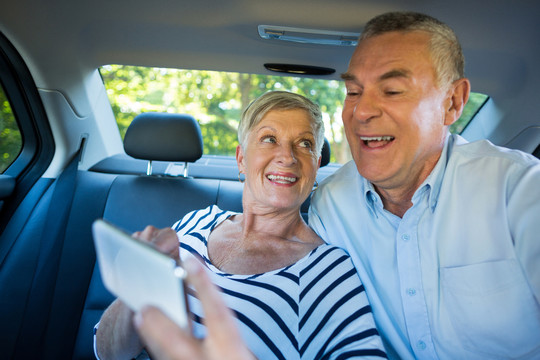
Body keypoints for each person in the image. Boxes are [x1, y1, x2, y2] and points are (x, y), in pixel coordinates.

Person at [308, 11, 540, 360]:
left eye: (392, 90)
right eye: (353, 91)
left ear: (453, 103)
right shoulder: (330, 206)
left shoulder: (521, 190)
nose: (361, 111)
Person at [94, 91, 387, 359]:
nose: (287, 156)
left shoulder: (327, 270)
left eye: (305, 143)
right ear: (241, 159)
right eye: (269, 139)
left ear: (315, 167)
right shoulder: (196, 220)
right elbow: (107, 352)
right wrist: (139, 285)